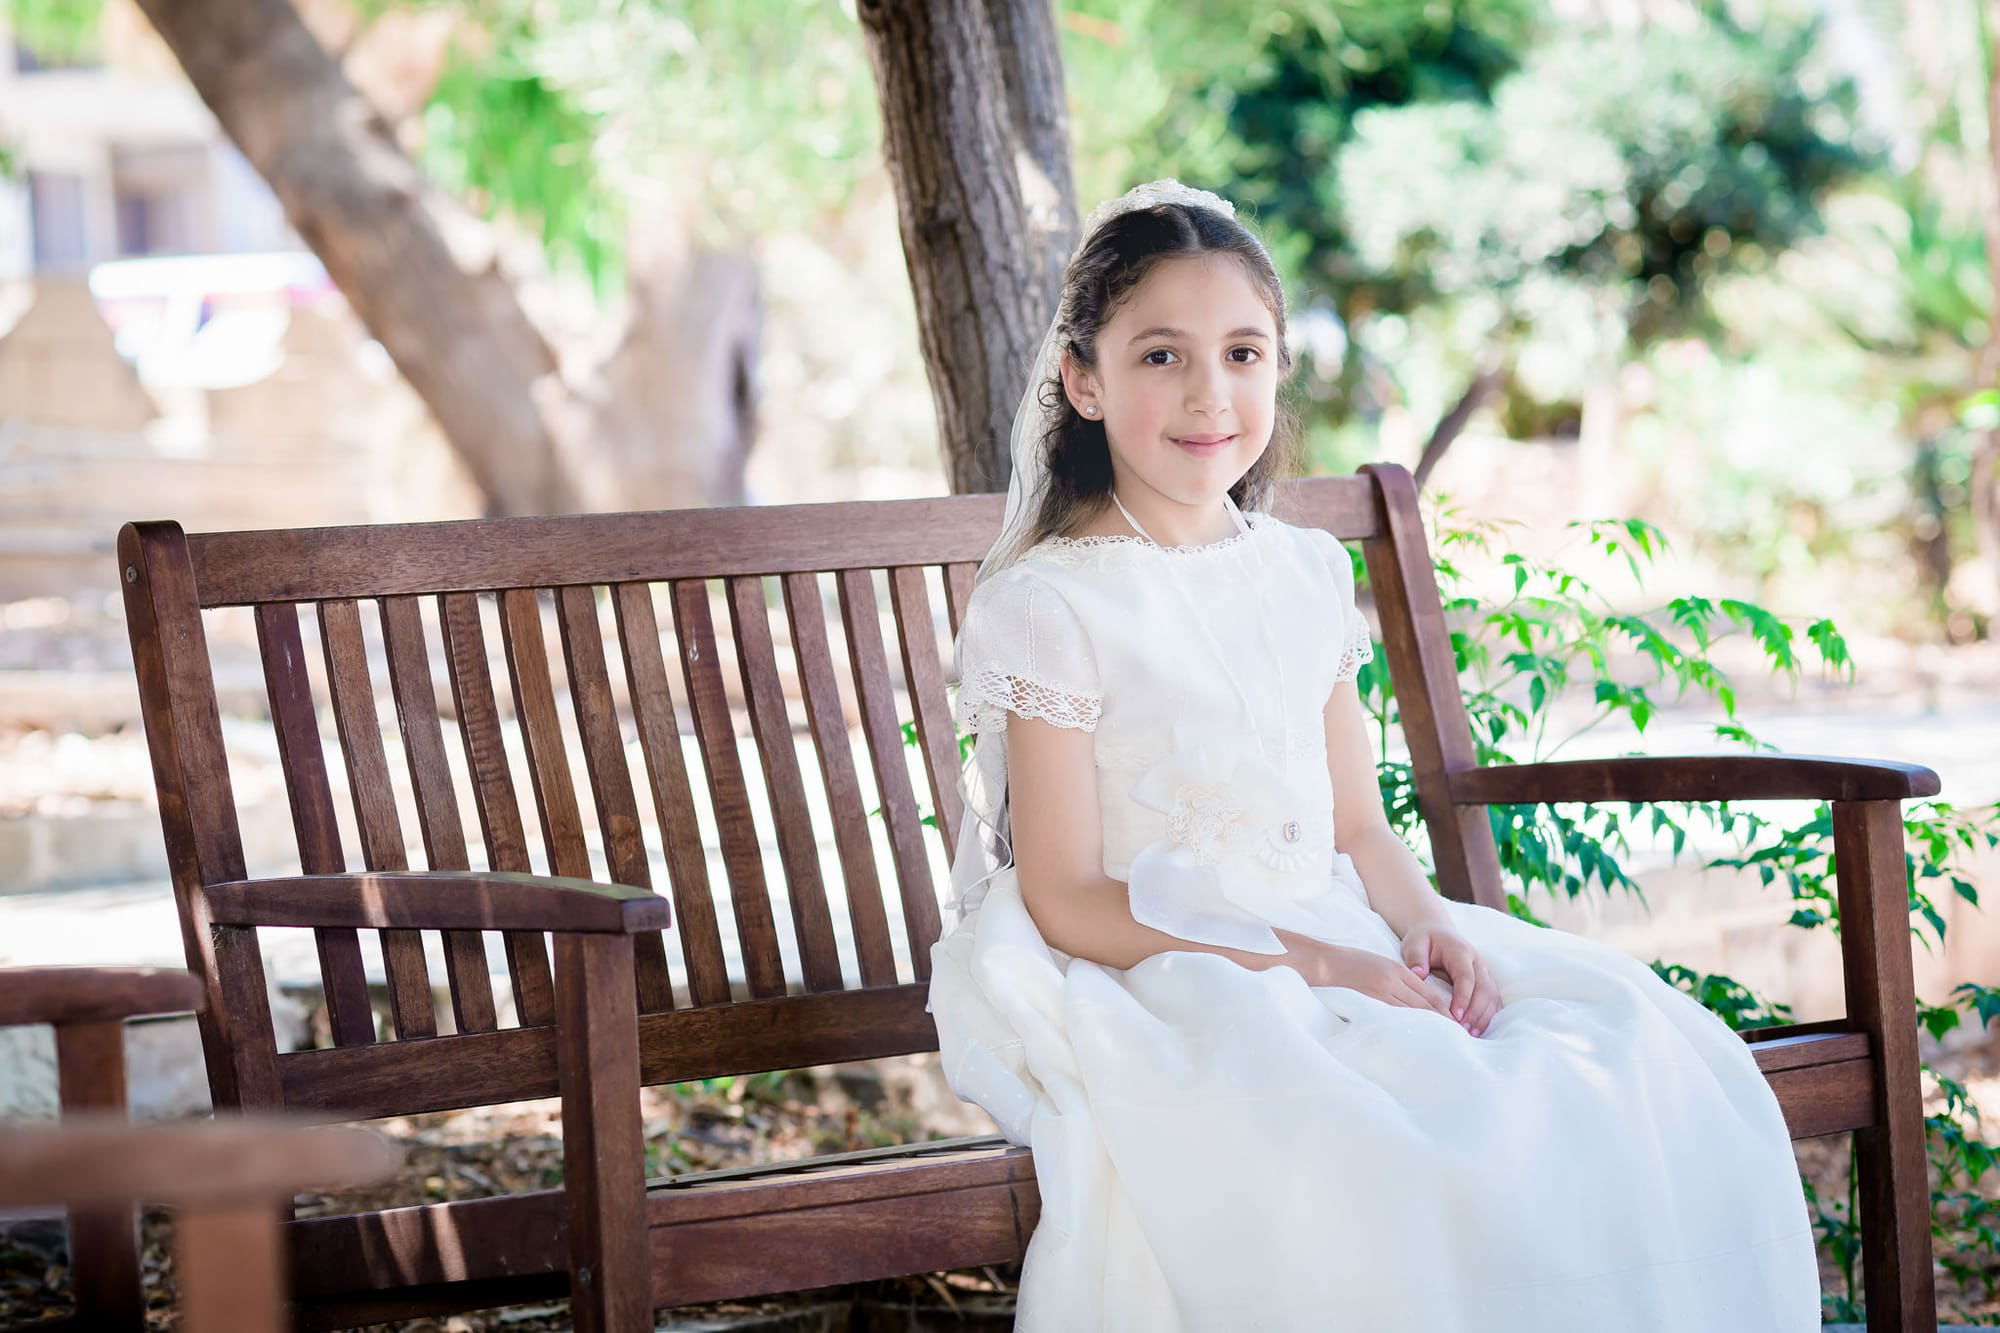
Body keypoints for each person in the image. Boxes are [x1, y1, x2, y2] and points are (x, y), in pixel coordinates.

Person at [923, 179, 1821, 1331]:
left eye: (1243, 352)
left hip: (1334, 924)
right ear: (1082, 379)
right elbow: (1063, 896)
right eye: (1159, 357)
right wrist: (1315, 966)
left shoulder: (1298, 572)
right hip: (1161, 965)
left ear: (1278, 368)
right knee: (1386, 1133)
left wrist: (1423, 924)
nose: (1208, 393)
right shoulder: (1052, 604)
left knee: (1627, 1051)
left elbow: (1354, 827)